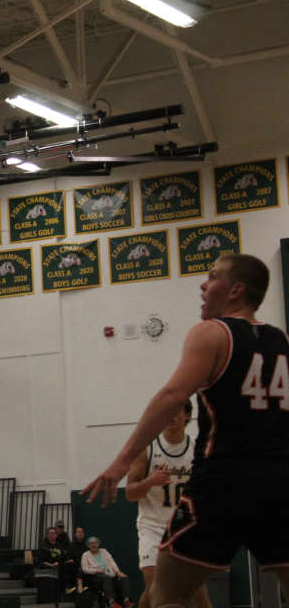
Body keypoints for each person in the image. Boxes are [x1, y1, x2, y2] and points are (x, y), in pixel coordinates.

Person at [84, 254, 289, 608]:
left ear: (236, 290)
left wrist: (122, 461)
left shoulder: (212, 332)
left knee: (168, 595)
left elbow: (173, 396)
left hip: (222, 483)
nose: (203, 285)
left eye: (212, 277)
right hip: (280, 484)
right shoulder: (282, 341)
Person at [125, 400, 211, 608]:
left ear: (187, 416)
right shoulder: (147, 449)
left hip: (184, 526)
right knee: (154, 588)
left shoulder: (197, 450)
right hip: (152, 525)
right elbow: (130, 493)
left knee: (198, 590)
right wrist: (149, 482)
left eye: (177, 411)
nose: (171, 415)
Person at [80, 537, 132, 608]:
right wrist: (96, 570)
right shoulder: (85, 555)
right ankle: (111, 602)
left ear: (98, 544)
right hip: (96, 576)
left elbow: (112, 562)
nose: (93, 545)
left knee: (124, 578)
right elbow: (85, 569)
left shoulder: (104, 551)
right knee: (106, 578)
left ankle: (126, 600)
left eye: (95, 543)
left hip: (110, 573)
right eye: (91, 543)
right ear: (88, 546)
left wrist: (118, 572)